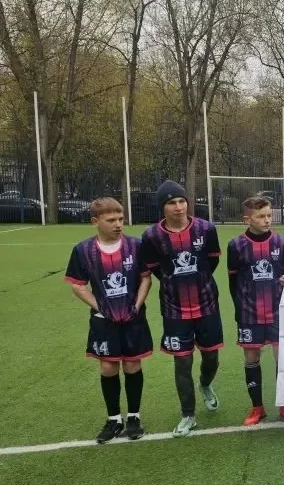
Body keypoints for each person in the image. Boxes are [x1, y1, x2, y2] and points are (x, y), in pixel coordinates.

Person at [65, 198, 153, 443]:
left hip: (132, 317)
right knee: (108, 367)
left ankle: (134, 417)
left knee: (132, 365)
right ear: (95, 221)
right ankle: (114, 419)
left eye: (121, 219)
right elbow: (78, 285)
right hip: (104, 321)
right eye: (111, 220)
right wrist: (101, 308)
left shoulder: (135, 245)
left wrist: (136, 306)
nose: (118, 224)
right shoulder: (83, 250)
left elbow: (146, 278)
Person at [140, 180, 223, 437]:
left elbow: (212, 261)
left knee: (211, 357)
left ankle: (205, 384)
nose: (178, 207)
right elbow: (155, 268)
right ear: (162, 208)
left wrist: (197, 281)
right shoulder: (151, 236)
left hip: (207, 304)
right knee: (182, 361)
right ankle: (188, 415)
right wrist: (175, 283)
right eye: (172, 203)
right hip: (174, 309)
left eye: (182, 201)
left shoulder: (206, 229)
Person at [227, 196, 284, 426]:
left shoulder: (281, 242)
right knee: (251, 358)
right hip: (249, 314)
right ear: (247, 219)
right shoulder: (236, 246)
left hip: (277, 312)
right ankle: (257, 407)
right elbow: (233, 282)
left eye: (269, 215)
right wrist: (240, 309)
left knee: (282, 358)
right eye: (261, 216)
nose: (267, 220)